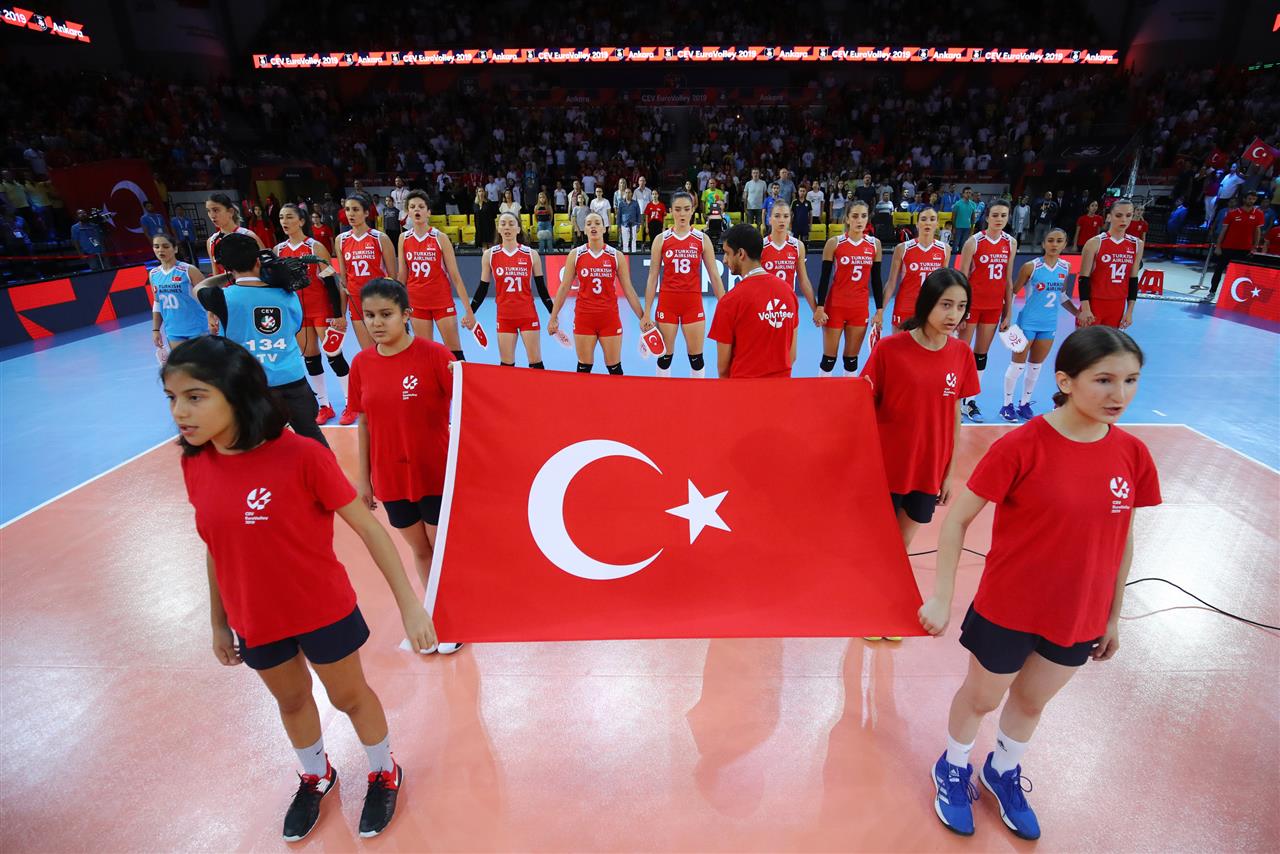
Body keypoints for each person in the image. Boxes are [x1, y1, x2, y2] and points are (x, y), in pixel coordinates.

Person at [163, 336, 435, 841]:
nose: (180, 411)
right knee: (290, 701)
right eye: (172, 398)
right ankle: (316, 775)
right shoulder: (194, 463)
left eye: (195, 396)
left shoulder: (302, 456)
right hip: (255, 617)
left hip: (320, 609)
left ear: (237, 393)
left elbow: (370, 529)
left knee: (349, 696)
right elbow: (215, 544)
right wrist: (219, 622)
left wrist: (411, 606)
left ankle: (383, 769)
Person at [919, 326, 1159, 842]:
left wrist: (1113, 615)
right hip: (1010, 607)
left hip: (1078, 613)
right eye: (1104, 380)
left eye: (1131, 380)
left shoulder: (1133, 454)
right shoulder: (1022, 445)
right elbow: (956, 520)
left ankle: (1002, 771)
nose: (1119, 394)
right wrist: (941, 596)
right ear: (1065, 381)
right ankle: (953, 765)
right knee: (982, 699)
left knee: (1031, 703)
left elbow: (1123, 538)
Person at [346, 278, 462, 655]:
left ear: (406, 314)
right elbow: (364, 422)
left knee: (440, 548)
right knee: (420, 549)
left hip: (434, 471)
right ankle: (433, 617)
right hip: (391, 476)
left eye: (386, 314)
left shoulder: (435, 355)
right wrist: (364, 480)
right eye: (369, 316)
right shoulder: (361, 363)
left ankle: (453, 618)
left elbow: (468, 407)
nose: (377, 323)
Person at [860, 268, 978, 548]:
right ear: (927, 302)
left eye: (961, 306)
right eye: (946, 305)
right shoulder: (889, 349)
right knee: (875, 542)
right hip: (888, 466)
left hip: (928, 467)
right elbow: (863, 408)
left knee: (903, 543)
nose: (953, 315)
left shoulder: (962, 353)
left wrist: (948, 472)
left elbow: (954, 415)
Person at [547, 212, 653, 375]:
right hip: (584, 317)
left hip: (609, 318)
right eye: (589, 224)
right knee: (584, 367)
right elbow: (564, 288)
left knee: (614, 368)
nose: (593, 226)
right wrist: (553, 317)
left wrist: (643, 317)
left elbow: (628, 289)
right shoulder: (576, 254)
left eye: (597, 223)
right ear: (584, 229)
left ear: (604, 228)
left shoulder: (616, 255)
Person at [276, 204, 352, 426]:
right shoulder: (278, 250)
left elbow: (331, 282)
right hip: (298, 312)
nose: (284, 221)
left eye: (289, 217)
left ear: (301, 221)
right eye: (281, 217)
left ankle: (351, 403)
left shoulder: (315, 247)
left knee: (333, 355)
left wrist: (338, 314)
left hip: (321, 309)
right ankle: (324, 406)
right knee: (310, 357)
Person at [643, 191, 726, 378]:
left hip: (692, 304)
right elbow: (652, 277)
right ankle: (663, 393)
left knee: (696, 359)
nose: (682, 214)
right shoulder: (661, 239)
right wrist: (647, 312)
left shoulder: (702, 239)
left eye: (686, 209)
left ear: (693, 210)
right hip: (667, 303)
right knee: (664, 357)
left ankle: (697, 394)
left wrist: (725, 306)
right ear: (671, 211)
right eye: (678, 209)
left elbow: (714, 275)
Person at [707, 222, 800, 378]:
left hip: (743, 389)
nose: (724, 260)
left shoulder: (729, 301)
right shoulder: (788, 293)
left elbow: (723, 368)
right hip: (782, 389)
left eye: (727, 253)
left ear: (741, 254)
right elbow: (791, 356)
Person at [1001, 229, 1072, 422]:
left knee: (1035, 367)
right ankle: (1006, 405)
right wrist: (1006, 317)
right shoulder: (1031, 267)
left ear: (1065, 245)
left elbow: (1062, 296)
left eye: (1059, 241)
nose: (1054, 244)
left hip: (1048, 325)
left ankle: (1024, 404)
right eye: (1050, 240)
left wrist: (1078, 313)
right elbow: (1013, 292)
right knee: (1017, 366)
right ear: (1043, 244)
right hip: (1026, 324)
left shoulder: (1065, 267)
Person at [957, 200, 1017, 423]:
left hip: (994, 307)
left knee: (981, 354)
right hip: (973, 305)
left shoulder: (1010, 242)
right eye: (995, 215)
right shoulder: (974, 242)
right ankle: (955, 399)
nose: (999, 219)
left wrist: (1008, 312)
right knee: (962, 353)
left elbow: (1008, 280)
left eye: (1003, 215)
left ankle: (969, 401)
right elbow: (962, 278)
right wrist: (961, 310)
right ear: (987, 217)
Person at [398, 190, 476, 358]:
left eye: (421, 206)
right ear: (408, 212)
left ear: (428, 212)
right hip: (417, 303)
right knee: (425, 353)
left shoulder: (440, 238)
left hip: (441, 301)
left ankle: (458, 377)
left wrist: (469, 311)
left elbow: (455, 277)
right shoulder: (403, 238)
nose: (417, 210)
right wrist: (396, 307)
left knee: (454, 353)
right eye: (412, 207)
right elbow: (402, 277)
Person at [470, 211, 553, 368]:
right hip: (505, 317)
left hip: (527, 315)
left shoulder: (531, 254)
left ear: (518, 229)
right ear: (498, 229)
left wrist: (553, 314)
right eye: (503, 224)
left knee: (536, 363)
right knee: (506, 365)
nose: (507, 227)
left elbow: (542, 289)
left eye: (511, 224)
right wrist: (470, 311)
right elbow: (482, 288)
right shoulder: (489, 255)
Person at [816, 201, 883, 377]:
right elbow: (824, 278)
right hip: (835, 306)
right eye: (855, 216)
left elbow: (876, 280)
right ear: (847, 218)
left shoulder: (874, 245)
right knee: (829, 359)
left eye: (863, 216)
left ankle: (849, 393)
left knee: (851, 360)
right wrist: (820, 307)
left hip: (859, 308)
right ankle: (821, 392)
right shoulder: (834, 243)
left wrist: (880, 310)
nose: (859, 220)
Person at [334, 193, 397, 351]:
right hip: (356, 301)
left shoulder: (380, 238)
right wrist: (341, 313)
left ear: (366, 213)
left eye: (356, 209)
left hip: (379, 299)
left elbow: (393, 278)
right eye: (348, 209)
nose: (351, 213)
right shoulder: (341, 240)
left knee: (386, 348)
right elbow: (343, 280)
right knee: (368, 351)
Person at [1076, 198, 1142, 328]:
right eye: (1119, 215)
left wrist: (1129, 312)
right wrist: (1086, 308)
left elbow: (1133, 280)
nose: (1124, 220)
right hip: (1094, 303)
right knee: (1087, 341)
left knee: (1110, 342)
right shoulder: (1095, 243)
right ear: (1109, 217)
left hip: (1118, 305)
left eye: (1128, 215)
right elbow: (1083, 278)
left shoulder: (1137, 244)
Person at [883, 207, 951, 331]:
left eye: (932, 219)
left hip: (931, 307)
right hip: (905, 306)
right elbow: (891, 283)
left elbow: (944, 284)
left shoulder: (945, 249)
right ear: (917, 223)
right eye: (923, 219)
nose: (928, 223)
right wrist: (880, 311)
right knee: (900, 343)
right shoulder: (902, 248)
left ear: (937, 223)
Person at [760, 200, 824, 326]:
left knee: (790, 340)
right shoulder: (760, 246)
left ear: (790, 219)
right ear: (769, 219)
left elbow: (803, 281)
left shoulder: (797, 246)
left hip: (788, 305)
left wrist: (815, 310)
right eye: (777, 216)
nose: (781, 220)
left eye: (786, 216)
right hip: (764, 305)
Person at [148, 233, 208, 350]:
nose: (160, 250)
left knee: (201, 361)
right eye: (156, 247)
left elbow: (207, 297)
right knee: (181, 362)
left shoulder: (188, 270)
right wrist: (155, 330)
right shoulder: (153, 274)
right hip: (173, 331)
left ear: (175, 249)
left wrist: (213, 318)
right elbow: (157, 303)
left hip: (197, 328)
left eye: (165, 246)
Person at [1206, 190, 1264, 298]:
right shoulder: (1232, 213)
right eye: (1249, 198)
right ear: (1244, 199)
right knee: (1219, 270)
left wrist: (1254, 247)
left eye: (1254, 199)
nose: (1251, 201)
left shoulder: (1259, 214)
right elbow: (1223, 231)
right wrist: (1218, 246)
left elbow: (1257, 232)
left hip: (1245, 249)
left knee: (1240, 273)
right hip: (1228, 247)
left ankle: (1233, 297)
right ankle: (1212, 292)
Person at [205, 193, 264, 277]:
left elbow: (265, 266)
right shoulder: (211, 241)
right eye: (208, 211)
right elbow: (216, 273)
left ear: (230, 212)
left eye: (216, 210)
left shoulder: (248, 235)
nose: (212, 215)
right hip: (226, 285)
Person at [951, 188, 977, 252]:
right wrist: (953, 227)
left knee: (963, 244)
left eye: (970, 193)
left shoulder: (973, 204)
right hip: (958, 227)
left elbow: (973, 217)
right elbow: (953, 217)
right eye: (966, 192)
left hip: (967, 227)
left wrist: (972, 228)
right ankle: (953, 256)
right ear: (963, 194)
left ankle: (960, 256)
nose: (968, 194)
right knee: (955, 243)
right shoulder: (957, 204)